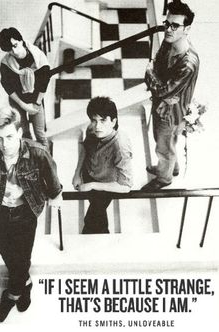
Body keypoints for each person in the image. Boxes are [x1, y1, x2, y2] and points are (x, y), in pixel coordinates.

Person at [0, 107, 62, 322]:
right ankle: (24, 282)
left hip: (26, 211)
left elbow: (52, 180)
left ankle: (14, 293)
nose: (4, 144)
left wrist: (56, 196)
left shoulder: (37, 152)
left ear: (19, 132)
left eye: (9, 136)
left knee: (22, 255)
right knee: (4, 250)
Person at [141, 0, 199, 191]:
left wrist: (150, 74)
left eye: (175, 25)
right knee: (167, 141)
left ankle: (164, 178)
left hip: (171, 112)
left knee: (163, 145)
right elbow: (157, 64)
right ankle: (171, 167)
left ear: (187, 28)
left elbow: (162, 89)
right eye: (167, 24)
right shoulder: (168, 43)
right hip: (163, 105)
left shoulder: (188, 62)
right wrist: (155, 77)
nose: (168, 29)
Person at [72, 96, 133, 234]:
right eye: (94, 120)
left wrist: (92, 185)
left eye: (103, 120)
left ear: (113, 121)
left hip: (107, 184)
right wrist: (77, 173)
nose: (97, 126)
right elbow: (86, 149)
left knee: (93, 218)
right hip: (90, 174)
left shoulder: (120, 146)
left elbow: (126, 186)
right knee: (97, 214)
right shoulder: (92, 129)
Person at [0, 27, 50, 148]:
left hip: (36, 99)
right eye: (10, 50)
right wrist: (23, 105)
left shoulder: (38, 57)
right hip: (17, 102)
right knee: (24, 133)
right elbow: (7, 86)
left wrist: (36, 104)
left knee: (40, 134)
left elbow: (44, 83)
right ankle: (29, 158)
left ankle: (47, 161)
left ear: (21, 40)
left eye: (15, 45)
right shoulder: (6, 63)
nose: (14, 52)